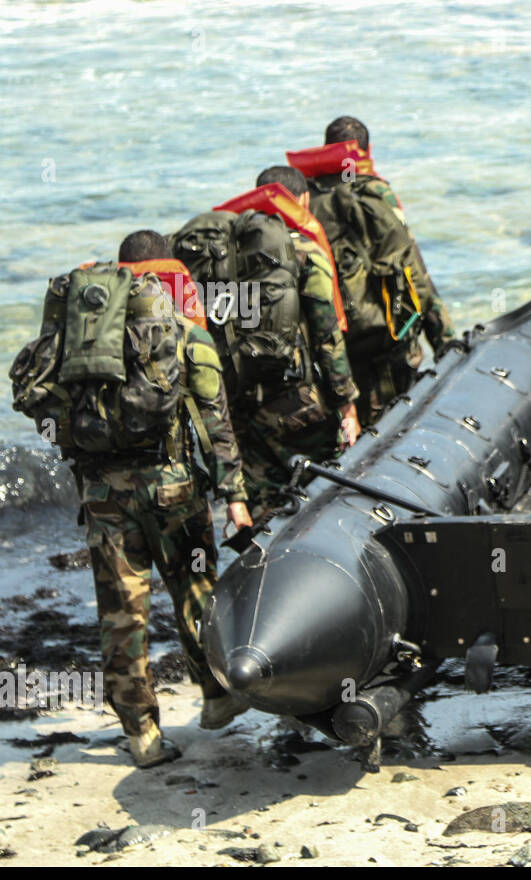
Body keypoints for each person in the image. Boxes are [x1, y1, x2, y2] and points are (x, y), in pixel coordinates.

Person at [8, 230, 253, 767]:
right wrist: (235, 496)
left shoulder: (79, 339)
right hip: (173, 492)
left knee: (121, 613)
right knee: (195, 591)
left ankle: (142, 735)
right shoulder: (185, 335)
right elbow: (216, 428)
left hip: (101, 495)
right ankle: (215, 699)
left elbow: (45, 405)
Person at [173, 184, 362, 519]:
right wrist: (347, 404)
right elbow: (326, 336)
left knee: (262, 508)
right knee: (323, 497)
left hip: (232, 408)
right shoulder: (302, 252)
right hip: (295, 403)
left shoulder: (199, 263)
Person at [286, 116, 448, 425]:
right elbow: (413, 266)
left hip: (337, 338)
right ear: (367, 150)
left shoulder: (304, 199)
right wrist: (445, 342)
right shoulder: (374, 191)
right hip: (386, 329)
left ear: (325, 149)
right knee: (398, 419)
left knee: (355, 421)